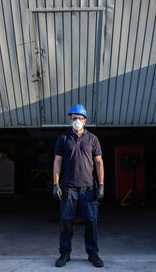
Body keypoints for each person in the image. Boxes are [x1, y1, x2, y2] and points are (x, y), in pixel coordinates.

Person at [53, 104, 104, 268]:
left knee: (91, 222)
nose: (76, 121)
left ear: (85, 120)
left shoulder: (93, 139)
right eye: (74, 118)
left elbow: (99, 162)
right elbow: (57, 161)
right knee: (66, 222)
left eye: (79, 118)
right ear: (70, 120)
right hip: (68, 188)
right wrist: (55, 184)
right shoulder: (63, 138)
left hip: (88, 188)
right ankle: (64, 253)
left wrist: (101, 185)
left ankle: (93, 254)